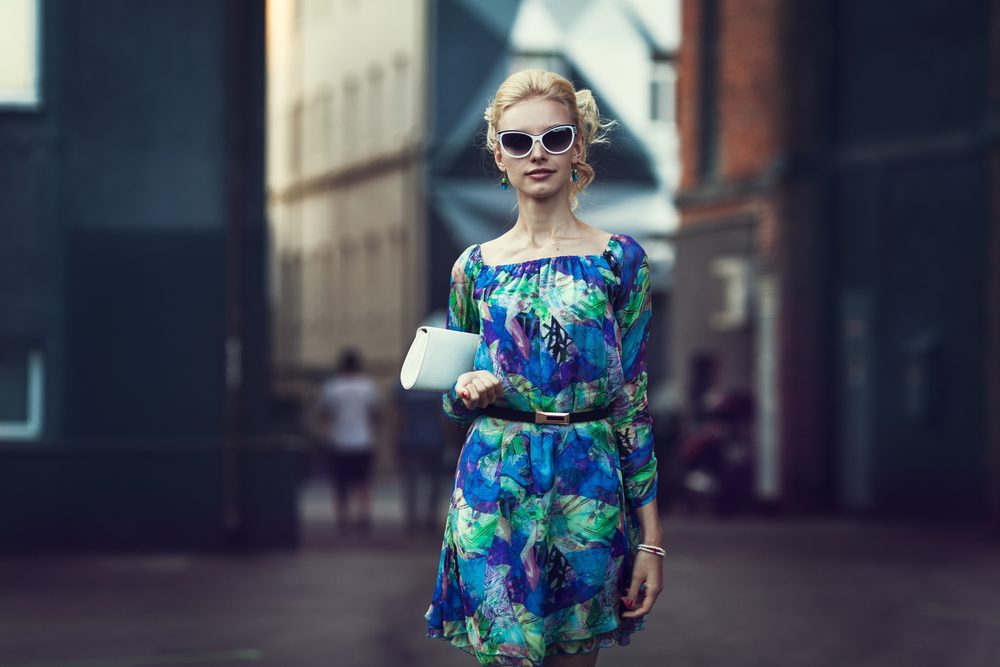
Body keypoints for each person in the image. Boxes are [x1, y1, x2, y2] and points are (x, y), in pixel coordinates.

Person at [425, 70, 663, 667]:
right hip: (494, 480)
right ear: (498, 155)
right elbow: (452, 394)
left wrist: (651, 542)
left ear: (578, 147)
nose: (537, 153)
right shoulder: (473, 268)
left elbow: (631, 401)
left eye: (555, 138)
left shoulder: (620, 260)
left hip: (587, 481)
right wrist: (466, 388)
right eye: (517, 141)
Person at [316, 348, 379, 534]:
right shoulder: (367, 386)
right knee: (364, 483)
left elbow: (324, 414)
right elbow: (376, 413)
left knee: (340, 485)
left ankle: (343, 519)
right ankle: (364, 517)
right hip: (363, 440)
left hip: (339, 441)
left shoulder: (332, 387)